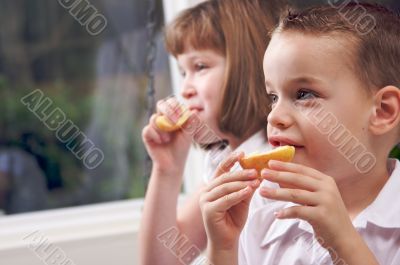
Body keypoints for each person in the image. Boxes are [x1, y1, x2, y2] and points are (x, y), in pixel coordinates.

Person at [200, 2, 400, 265]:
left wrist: (344, 243)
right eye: (273, 97)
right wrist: (223, 249)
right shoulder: (261, 211)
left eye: (303, 94)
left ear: (382, 111)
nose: (273, 116)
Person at [139, 0, 285, 264]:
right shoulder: (227, 160)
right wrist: (167, 169)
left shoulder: (272, 165)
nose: (185, 88)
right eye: (183, 71)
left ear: (248, 67)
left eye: (200, 67)